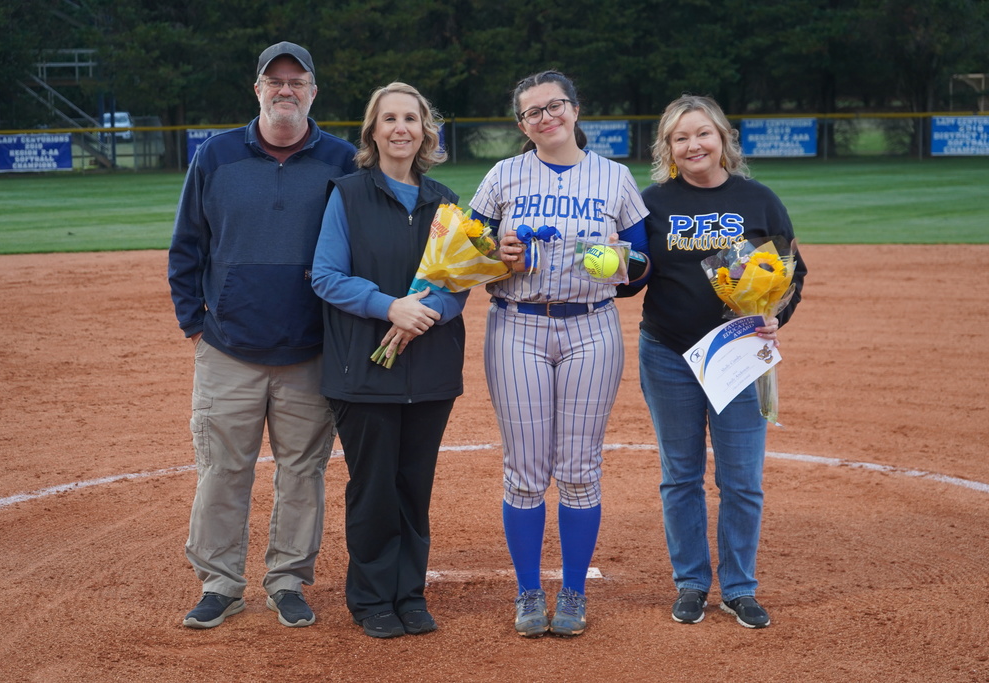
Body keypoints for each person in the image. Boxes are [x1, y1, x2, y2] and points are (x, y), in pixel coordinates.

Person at [168, 41, 357, 630]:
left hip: (309, 349)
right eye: (274, 81)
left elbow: (359, 247)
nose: (285, 90)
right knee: (224, 468)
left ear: (313, 91)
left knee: (303, 471)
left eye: (296, 81)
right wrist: (196, 324)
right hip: (229, 348)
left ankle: (288, 580)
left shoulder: (343, 159)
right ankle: (221, 582)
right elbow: (186, 246)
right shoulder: (216, 155)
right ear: (257, 90)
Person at [468, 70, 650, 637]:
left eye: (555, 106)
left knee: (578, 470)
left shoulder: (614, 177)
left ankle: (572, 591)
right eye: (532, 112)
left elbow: (641, 265)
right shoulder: (503, 175)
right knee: (524, 472)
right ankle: (527, 592)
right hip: (517, 326)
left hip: (592, 328)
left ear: (575, 109)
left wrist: (615, 259)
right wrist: (500, 253)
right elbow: (467, 251)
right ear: (521, 125)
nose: (546, 118)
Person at [628, 94, 806, 629]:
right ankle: (690, 583)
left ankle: (739, 587)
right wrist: (612, 264)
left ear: (722, 137)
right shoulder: (651, 203)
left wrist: (778, 315)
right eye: (680, 138)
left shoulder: (760, 199)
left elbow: (792, 271)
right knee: (680, 475)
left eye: (702, 133)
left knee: (742, 479)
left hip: (739, 354)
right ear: (668, 148)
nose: (693, 145)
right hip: (667, 352)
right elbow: (631, 278)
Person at [311, 82, 467, 639]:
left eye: (412, 118)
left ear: (426, 130)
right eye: (389, 118)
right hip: (363, 368)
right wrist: (390, 308)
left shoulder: (445, 202)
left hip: (429, 371)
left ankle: (410, 593)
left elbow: (459, 281)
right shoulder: (347, 194)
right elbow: (326, 276)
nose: (401, 127)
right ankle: (372, 598)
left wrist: (430, 314)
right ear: (373, 131)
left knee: (413, 486)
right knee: (373, 487)